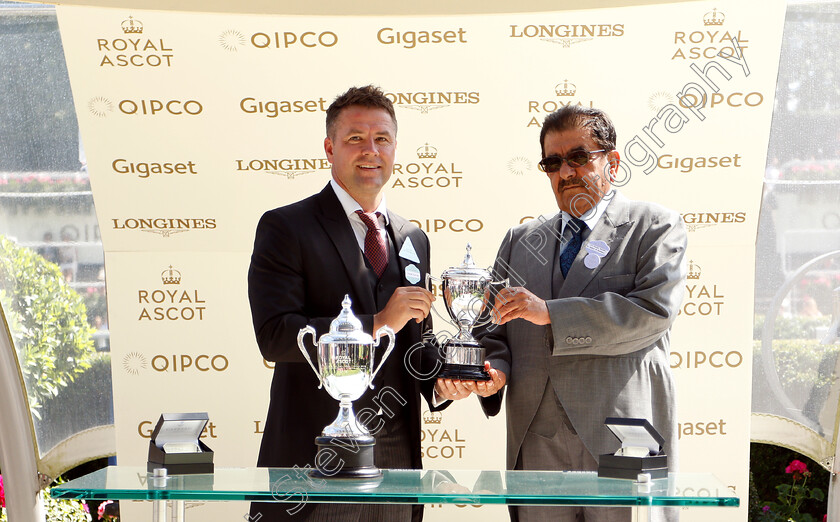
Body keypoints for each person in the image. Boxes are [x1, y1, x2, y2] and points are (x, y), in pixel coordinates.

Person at [247, 85, 455, 522]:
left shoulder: (413, 238)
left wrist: (447, 381)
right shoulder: (286, 227)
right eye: (355, 139)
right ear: (329, 148)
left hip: (397, 469)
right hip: (314, 467)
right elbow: (275, 336)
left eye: (382, 139)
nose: (370, 151)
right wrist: (375, 322)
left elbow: (416, 341)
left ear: (395, 147)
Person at [470, 105, 687, 522]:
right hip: (536, 440)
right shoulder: (520, 241)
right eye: (553, 162)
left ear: (614, 161)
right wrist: (492, 368)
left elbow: (653, 312)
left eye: (579, 157)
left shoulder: (655, 226)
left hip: (623, 439)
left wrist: (550, 313)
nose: (565, 171)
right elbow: (489, 329)